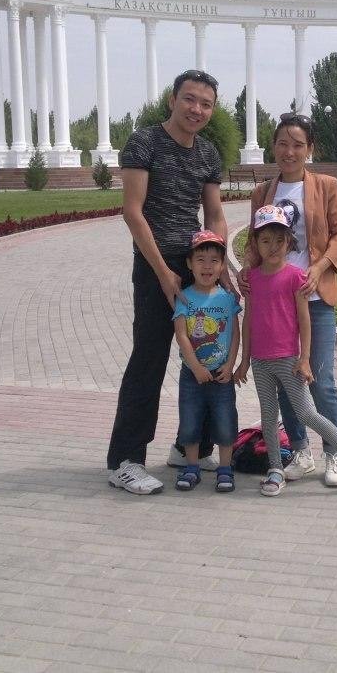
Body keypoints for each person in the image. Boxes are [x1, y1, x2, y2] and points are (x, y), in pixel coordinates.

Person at [107, 70, 232, 495]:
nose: (197, 109)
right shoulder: (144, 142)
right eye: (189, 99)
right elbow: (133, 212)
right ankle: (125, 460)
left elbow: (214, 214)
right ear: (172, 100)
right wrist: (163, 273)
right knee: (150, 358)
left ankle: (190, 447)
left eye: (206, 104)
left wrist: (219, 265)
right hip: (154, 265)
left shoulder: (208, 153)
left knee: (208, 352)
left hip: (197, 264)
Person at [241, 112, 337, 487]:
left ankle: (335, 452)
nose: (289, 151)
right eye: (282, 144)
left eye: (297, 145)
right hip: (277, 302)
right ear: (273, 147)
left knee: (320, 379)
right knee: (286, 381)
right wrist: (247, 268)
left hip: (314, 298)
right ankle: (301, 452)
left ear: (310, 149)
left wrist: (319, 268)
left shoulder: (325, 186)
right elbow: (255, 240)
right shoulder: (262, 192)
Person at [233, 205, 337, 497]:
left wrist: (305, 358)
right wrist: (244, 360)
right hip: (260, 361)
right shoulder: (252, 279)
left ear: (289, 242)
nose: (273, 247)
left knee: (307, 413)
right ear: (255, 244)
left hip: (288, 360)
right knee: (268, 416)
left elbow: (304, 320)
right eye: (265, 240)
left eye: (279, 240)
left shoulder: (296, 277)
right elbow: (248, 319)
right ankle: (275, 469)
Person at [171, 230, 242, 493]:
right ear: (189, 264)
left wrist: (231, 364)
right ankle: (191, 466)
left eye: (214, 260)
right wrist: (196, 367)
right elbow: (181, 335)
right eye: (200, 259)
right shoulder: (184, 297)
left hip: (222, 375)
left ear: (222, 266)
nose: (207, 266)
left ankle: (225, 469)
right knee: (190, 419)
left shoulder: (227, 298)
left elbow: (234, 333)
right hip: (192, 375)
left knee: (225, 420)